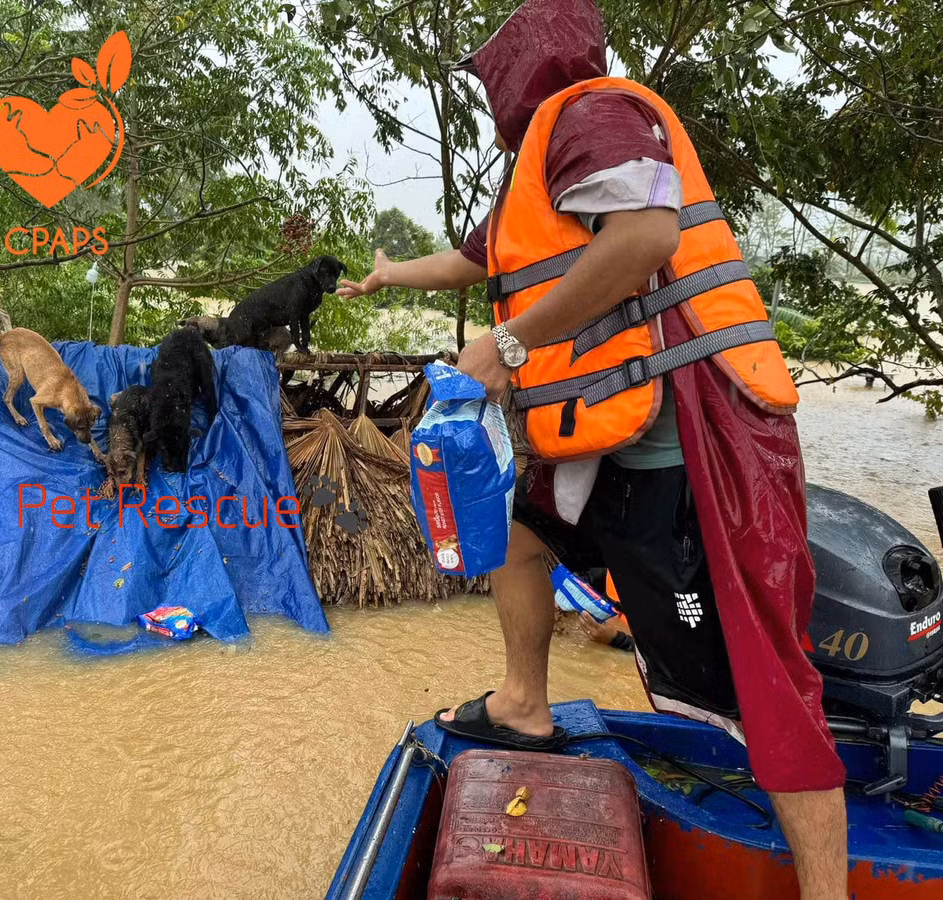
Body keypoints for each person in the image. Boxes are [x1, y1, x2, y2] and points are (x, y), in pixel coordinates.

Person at [336, 2, 848, 897]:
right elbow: (474, 261)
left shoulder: (590, 112)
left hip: (690, 438)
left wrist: (509, 344)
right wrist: (388, 276)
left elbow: (646, 235)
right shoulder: (541, 168)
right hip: (604, 434)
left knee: (758, 674)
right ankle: (522, 703)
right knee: (520, 534)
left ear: (523, 69)